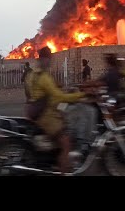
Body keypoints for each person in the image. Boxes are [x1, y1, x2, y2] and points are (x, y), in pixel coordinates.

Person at [25, 46, 86, 174]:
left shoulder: (32, 74)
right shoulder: (44, 77)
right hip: (46, 115)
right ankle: (64, 170)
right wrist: (81, 95)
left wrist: (57, 88)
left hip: (34, 110)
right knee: (66, 143)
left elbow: (35, 93)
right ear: (44, 59)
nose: (50, 61)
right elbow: (59, 96)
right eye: (49, 59)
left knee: (64, 118)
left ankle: (54, 159)